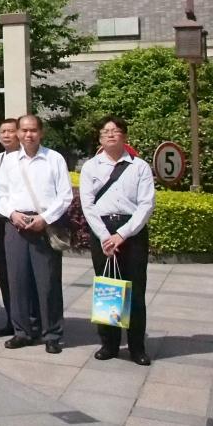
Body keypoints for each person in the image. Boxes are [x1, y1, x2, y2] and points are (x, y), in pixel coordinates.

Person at [0, 114, 73, 355]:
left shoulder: (54, 159)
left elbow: (65, 196)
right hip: (16, 226)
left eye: (33, 130)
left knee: (47, 282)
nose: (28, 135)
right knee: (17, 281)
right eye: (24, 130)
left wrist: (45, 219)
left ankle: (52, 334)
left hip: (44, 226)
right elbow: (0, 195)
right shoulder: (9, 161)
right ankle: (22, 332)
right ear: (18, 133)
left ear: (41, 133)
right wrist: (12, 214)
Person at [79, 116, 154, 366]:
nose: (110, 134)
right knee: (108, 288)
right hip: (102, 230)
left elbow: (146, 204)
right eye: (105, 131)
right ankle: (109, 344)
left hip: (132, 232)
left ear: (125, 136)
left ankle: (137, 347)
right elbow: (87, 205)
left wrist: (122, 234)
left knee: (135, 290)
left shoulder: (139, 166)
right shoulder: (91, 167)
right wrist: (104, 235)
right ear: (100, 138)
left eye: (115, 130)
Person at [0, 118, 20, 336]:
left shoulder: (26, 158)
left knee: (22, 275)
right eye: (3, 131)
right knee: (5, 273)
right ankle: (12, 319)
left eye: (10, 131)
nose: (6, 135)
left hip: (22, 221)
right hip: (1, 222)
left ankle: (30, 319)